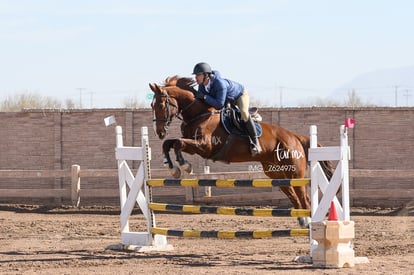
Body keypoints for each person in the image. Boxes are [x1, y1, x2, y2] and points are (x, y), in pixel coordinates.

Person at [192, 62, 262, 156]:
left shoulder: (219, 83)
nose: (195, 77)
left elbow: (219, 104)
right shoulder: (201, 85)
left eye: (198, 75)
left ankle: (255, 142)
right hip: (226, 99)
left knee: (244, 113)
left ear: (206, 75)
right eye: (195, 75)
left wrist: (205, 97)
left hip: (239, 96)